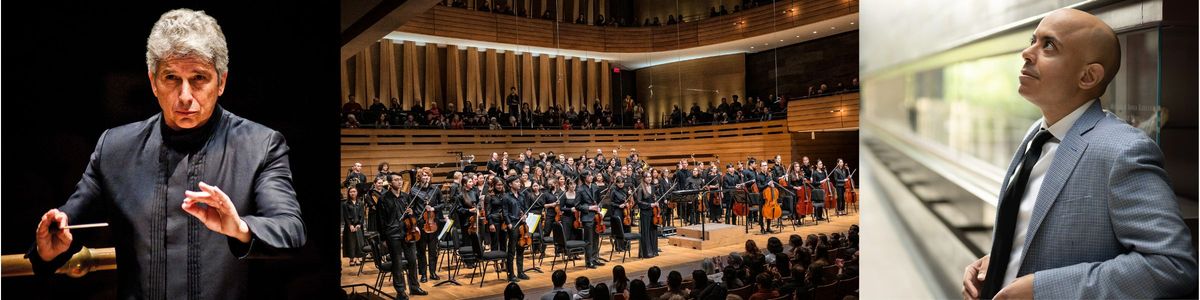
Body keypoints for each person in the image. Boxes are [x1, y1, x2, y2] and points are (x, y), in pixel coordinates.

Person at [27, 9, 307, 299]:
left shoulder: (261, 144)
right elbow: (67, 227)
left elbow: (290, 229)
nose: (185, 96)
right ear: (153, 82)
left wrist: (241, 227)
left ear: (221, 82)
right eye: (171, 77)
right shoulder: (114, 148)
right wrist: (48, 251)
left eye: (199, 78)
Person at [961, 8, 1197, 300]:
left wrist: (1043, 290)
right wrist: (998, 261)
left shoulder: (1123, 150)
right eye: (1032, 40)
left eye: (1048, 45)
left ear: (1088, 76)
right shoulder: (1037, 133)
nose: (1027, 52)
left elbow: (1172, 266)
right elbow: (1032, 232)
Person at [379, 174, 428, 296]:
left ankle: (414, 287)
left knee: (412, 261)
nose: (399, 182)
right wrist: (383, 238)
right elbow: (380, 220)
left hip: (408, 232)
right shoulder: (383, 198)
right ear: (390, 183)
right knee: (397, 263)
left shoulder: (406, 197)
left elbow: (412, 216)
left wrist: (411, 213)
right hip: (393, 234)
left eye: (400, 180)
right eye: (396, 180)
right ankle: (400, 291)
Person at [636, 174, 661, 258]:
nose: (649, 178)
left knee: (653, 231)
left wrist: (656, 202)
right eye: (647, 177)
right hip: (645, 213)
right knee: (646, 232)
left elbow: (654, 198)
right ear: (644, 178)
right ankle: (647, 252)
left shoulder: (653, 187)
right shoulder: (640, 188)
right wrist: (650, 205)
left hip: (653, 213)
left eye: (650, 177)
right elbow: (639, 202)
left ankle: (654, 250)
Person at [343, 187, 366, 266]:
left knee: (359, 242)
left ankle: (358, 257)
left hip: (359, 225)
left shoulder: (360, 203)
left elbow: (362, 215)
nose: (353, 193)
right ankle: (352, 258)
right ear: (349, 193)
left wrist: (360, 224)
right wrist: (350, 225)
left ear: (357, 193)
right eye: (351, 192)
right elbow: (345, 216)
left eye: (354, 191)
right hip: (350, 226)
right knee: (351, 242)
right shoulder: (345, 204)